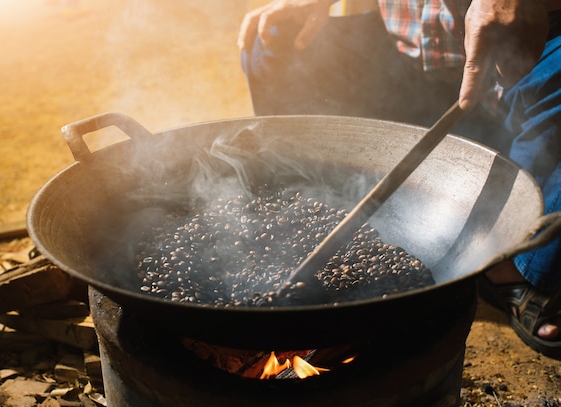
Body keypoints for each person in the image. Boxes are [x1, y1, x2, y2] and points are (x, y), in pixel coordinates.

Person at [238, 0, 561, 357]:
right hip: (406, 47)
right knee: (271, 38)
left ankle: (510, 270)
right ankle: (308, 199)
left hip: (531, 52)